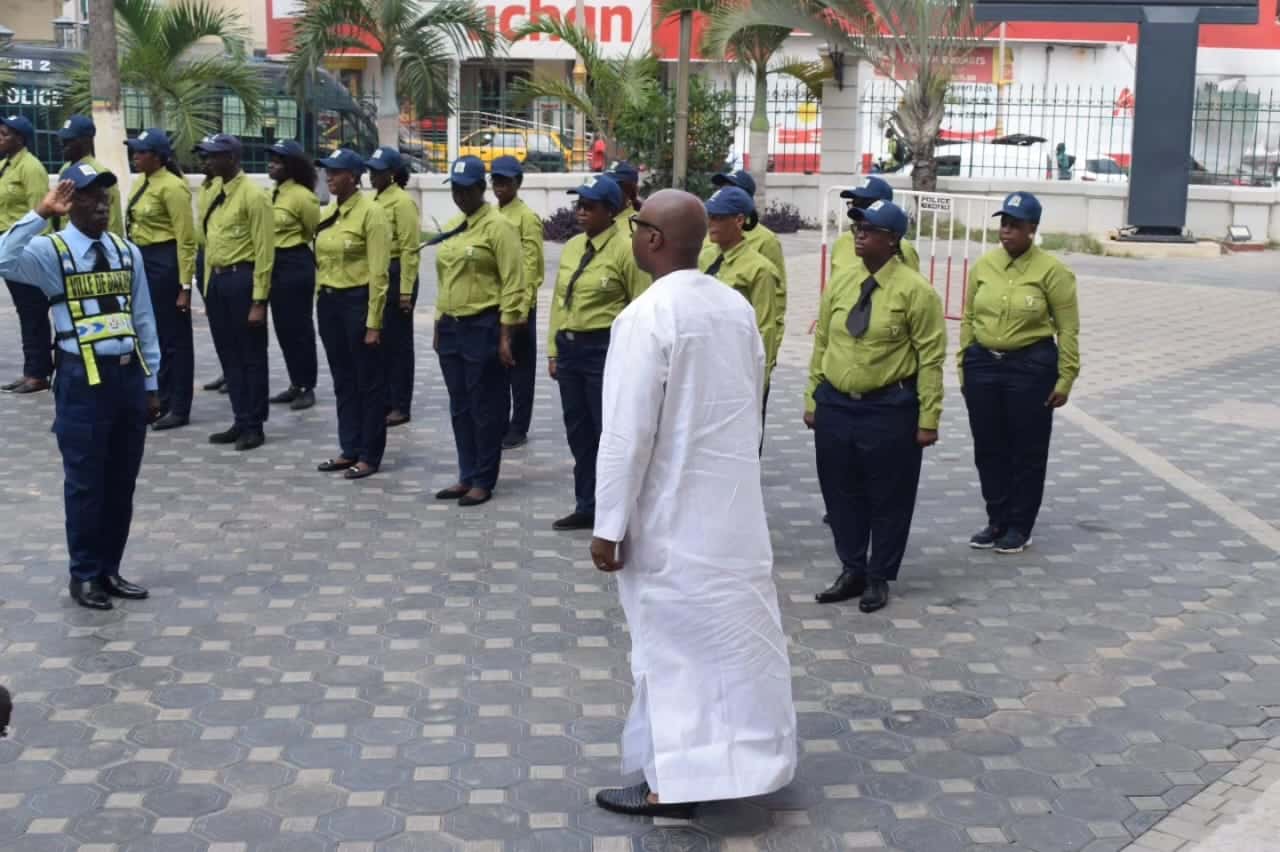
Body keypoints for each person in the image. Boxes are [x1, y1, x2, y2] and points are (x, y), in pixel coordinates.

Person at [591, 189, 796, 818]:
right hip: (732, 516)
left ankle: (672, 787)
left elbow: (627, 436)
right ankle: (743, 766)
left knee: (673, 654)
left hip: (671, 522)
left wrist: (609, 525)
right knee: (734, 649)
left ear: (652, 239)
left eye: (635, 225)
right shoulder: (733, 308)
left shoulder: (647, 317)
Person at [0, 166, 162, 610]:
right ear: (69, 204)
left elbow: (143, 319)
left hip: (127, 377)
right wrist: (40, 212)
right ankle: (85, 575)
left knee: (121, 481)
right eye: (88, 198)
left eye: (105, 198)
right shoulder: (50, 252)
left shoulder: (128, 253)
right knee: (86, 482)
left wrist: (151, 384)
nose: (100, 205)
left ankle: (110, 569)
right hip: (80, 379)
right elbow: (2, 258)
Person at [806, 200, 945, 613]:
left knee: (889, 496)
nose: (860, 234)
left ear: (893, 239)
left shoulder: (916, 291)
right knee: (840, 492)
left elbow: (931, 358)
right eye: (857, 227)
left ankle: (879, 576)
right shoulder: (842, 282)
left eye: (870, 228)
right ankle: (852, 568)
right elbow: (823, 343)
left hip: (890, 407)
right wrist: (812, 396)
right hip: (835, 403)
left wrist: (928, 417)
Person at [959, 192, 1079, 554]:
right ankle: (996, 519)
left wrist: (1066, 376)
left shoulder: (1053, 272)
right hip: (984, 364)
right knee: (988, 446)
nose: (1006, 232)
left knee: (1026, 450)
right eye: (1003, 224)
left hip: (1030, 366)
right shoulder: (984, 267)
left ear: (1032, 229)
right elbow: (968, 318)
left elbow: (1068, 329)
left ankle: (1019, 525)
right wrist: (965, 362)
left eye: (1015, 225)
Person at [548, 174, 648, 532]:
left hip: (604, 349)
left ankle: (617, 509)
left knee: (609, 433)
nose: (581, 212)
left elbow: (640, 307)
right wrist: (552, 349)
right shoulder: (574, 246)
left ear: (611, 209)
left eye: (590, 206)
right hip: (571, 349)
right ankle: (586, 504)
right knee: (579, 431)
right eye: (579, 205)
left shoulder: (626, 248)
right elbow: (561, 301)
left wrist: (635, 361)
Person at [431, 156, 526, 507]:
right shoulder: (457, 225)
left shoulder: (498, 227)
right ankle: (466, 473)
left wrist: (505, 335)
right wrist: (440, 322)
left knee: (484, 406)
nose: (459, 195)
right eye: (455, 189)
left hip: (483, 325)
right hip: (453, 327)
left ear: (480, 188)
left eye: (466, 189)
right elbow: (445, 279)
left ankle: (484, 479)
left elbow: (514, 282)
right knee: (460, 406)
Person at [313, 149, 391, 480]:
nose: (328, 177)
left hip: (357, 303)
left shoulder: (371, 214)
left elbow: (379, 273)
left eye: (336, 171)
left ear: (353, 176)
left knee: (368, 382)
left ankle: (370, 454)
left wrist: (373, 322)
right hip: (330, 303)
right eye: (327, 171)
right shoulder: (329, 212)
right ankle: (349, 448)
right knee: (343, 380)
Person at [198, 133, 274, 451]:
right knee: (229, 354)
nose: (208, 161)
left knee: (251, 356)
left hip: (242, 279)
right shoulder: (214, 191)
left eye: (214, 156)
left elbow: (265, 251)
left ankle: (254, 425)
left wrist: (259, 300)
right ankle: (239, 418)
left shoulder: (253, 196)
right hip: (217, 281)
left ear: (232, 158)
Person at [125, 129, 197, 431]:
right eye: (135, 151)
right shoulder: (141, 181)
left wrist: (185, 286)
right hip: (144, 260)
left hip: (165, 262)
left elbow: (186, 240)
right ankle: (161, 397)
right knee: (151, 334)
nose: (136, 156)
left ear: (158, 156)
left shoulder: (172, 187)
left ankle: (179, 405)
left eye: (142, 152)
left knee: (174, 340)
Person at [699, 186, 780, 394]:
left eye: (718, 218)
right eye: (709, 216)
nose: (711, 224)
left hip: (737, 365)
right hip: (703, 362)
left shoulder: (759, 269)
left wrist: (759, 382)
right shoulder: (704, 258)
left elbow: (765, 328)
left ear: (738, 220)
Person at [709, 169, 786, 374]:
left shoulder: (765, 243)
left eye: (730, 189)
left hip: (740, 358)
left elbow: (772, 308)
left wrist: (766, 362)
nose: (722, 193)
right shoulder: (709, 248)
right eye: (721, 188)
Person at [365, 147, 420, 428]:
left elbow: (410, 248)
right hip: (380, 273)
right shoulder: (375, 200)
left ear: (394, 173)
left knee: (399, 344)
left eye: (379, 170)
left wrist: (406, 291)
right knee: (382, 341)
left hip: (399, 274)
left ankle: (401, 403)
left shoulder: (401, 202)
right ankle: (386, 397)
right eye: (371, 169)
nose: (372, 175)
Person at [492, 155, 544, 450]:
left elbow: (532, 267)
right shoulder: (491, 214)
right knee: (499, 367)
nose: (499, 186)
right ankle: (501, 421)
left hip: (519, 305)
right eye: (496, 180)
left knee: (521, 369)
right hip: (495, 303)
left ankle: (519, 426)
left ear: (517, 183)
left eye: (506, 181)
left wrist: (522, 308)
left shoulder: (526, 218)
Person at [264, 140, 320, 412]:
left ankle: (307, 385)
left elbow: (312, 230)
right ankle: (294, 382)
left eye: (278, 160)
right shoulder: (272, 193)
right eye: (271, 159)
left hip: (295, 262)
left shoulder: (302, 196)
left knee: (299, 328)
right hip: (274, 264)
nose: (272, 164)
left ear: (292, 165)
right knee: (283, 327)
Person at [0, 115, 53, 394]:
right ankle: (31, 368)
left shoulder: (31, 168)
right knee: (24, 311)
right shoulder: (5, 166)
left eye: (4, 134)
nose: (0, 138)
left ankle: (39, 372)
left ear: (20, 138)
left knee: (33, 311)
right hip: (7, 250)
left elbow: (40, 212)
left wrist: (36, 256)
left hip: (25, 251)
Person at [831, 176, 920, 278]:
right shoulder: (840, 243)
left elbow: (912, 286)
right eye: (853, 203)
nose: (856, 208)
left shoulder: (903, 249)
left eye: (862, 203)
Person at [193, 139, 226, 394]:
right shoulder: (205, 186)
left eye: (208, 158)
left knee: (231, 323)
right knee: (215, 318)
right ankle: (226, 369)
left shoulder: (222, 186)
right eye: (202, 158)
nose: (204, 163)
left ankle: (233, 372)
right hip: (204, 254)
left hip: (222, 256)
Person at [57, 116, 123, 236]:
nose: (62, 145)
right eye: (62, 140)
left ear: (85, 141)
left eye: (68, 141)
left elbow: (113, 219)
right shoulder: (65, 170)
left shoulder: (101, 173)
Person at [604, 160, 642, 224]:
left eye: (613, 185)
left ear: (630, 191)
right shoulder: (596, 218)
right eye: (604, 183)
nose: (605, 189)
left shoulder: (636, 225)